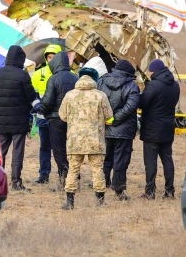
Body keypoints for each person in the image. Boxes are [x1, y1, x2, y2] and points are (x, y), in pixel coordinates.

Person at [58, 67, 113, 209]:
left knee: (73, 169)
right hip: (96, 139)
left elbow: (63, 116)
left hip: (75, 140)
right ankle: (100, 201)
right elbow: (108, 115)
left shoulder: (70, 95)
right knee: (97, 170)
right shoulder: (100, 95)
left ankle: (69, 202)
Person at [0, 45, 40, 192]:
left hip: (3, 119)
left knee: (1, 152)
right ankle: (16, 182)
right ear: (21, 59)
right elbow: (31, 96)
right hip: (19, 119)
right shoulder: (23, 75)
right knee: (18, 151)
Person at [98, 59, 140, 200]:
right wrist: (114, 119)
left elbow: (97, 102)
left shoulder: (101, 82)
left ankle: (102, 185)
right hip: (124, 130)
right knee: (121, 160)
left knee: (105, 158)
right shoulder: (132, 86)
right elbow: (131, 106)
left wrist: (107, 118)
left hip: (105, 127)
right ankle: (118, 190)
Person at [138, 59, 180, 200]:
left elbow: (142, 103)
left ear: (153, 71)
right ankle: (169, 191)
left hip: (152, 129)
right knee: (167, 160)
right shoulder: (175, 85)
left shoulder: (153, 86)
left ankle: (150, 192)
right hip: (168, 128)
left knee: (150, 161)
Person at [40, 50, 77, 186]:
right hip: (73, 120)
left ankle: (64, 179)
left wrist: (42, 111)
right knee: (72, 150)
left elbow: (48, 101)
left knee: (59, 150)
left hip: (56, 120)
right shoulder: (75, 77)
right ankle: (74, 176)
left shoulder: (53, 79)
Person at [30, 44, 61, 185]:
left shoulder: (69, 74)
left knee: (62, 148)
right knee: (44, 148)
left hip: (60, 119)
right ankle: (44, 175)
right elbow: (33, 94)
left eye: (54, 57)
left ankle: (66, 174)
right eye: (49, 57)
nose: (51, 59)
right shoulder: (37, 74)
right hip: (43, 118)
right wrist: (37, 107)